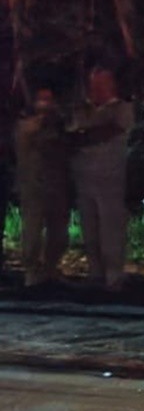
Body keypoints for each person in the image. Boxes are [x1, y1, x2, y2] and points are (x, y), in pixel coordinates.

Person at [67, 64, 135, 298]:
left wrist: (84, 134)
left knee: (110, 229)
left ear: (112, 84)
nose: (95, 89)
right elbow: (72, 136)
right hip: (84, 177)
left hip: (110, 178)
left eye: (101, 83)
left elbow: (104, 132)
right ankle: (95, 274)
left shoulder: (122, 109)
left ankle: (114, 276)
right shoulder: (84, 110)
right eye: (93, 84)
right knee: (90, 229)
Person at [15, 86, 71, 293]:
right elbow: (24, 148)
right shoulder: (26, 125)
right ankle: (31, 271)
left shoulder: (58, 124)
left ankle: (51, 268)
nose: (46, 104)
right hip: (33, 183)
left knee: (58, 228)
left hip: (56, 182)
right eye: (42, 99)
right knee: (32, 227)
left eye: (49, 99)